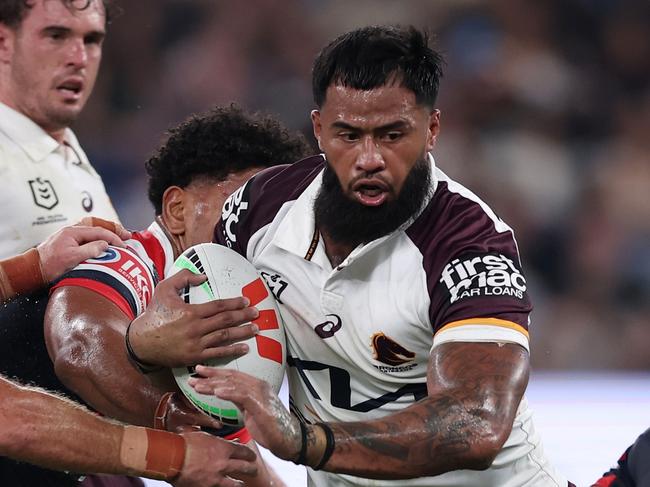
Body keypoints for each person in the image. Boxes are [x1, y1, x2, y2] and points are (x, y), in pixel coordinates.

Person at [133, 25, 572, 486]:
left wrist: (307, 441)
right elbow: (204, 338)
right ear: (319, 129)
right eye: (348, 134)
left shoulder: (469, 245)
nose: (369, 159)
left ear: (431, 130)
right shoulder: (258, 211)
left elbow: (477, 424)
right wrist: (145, 344)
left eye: (391, 135)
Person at [43, 105, 313, 486]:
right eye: (242, 209)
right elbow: (78, 349)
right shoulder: (126, 258)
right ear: (176, 210)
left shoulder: (226, 314)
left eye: (274, 219)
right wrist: (173, 421)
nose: (258, 233)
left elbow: (237, 468)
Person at [0, 0, 120, 259]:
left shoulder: (70, 153)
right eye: (56, 36)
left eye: (91, 40)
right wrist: (34, 269)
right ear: (3, 42)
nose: (79, 59)